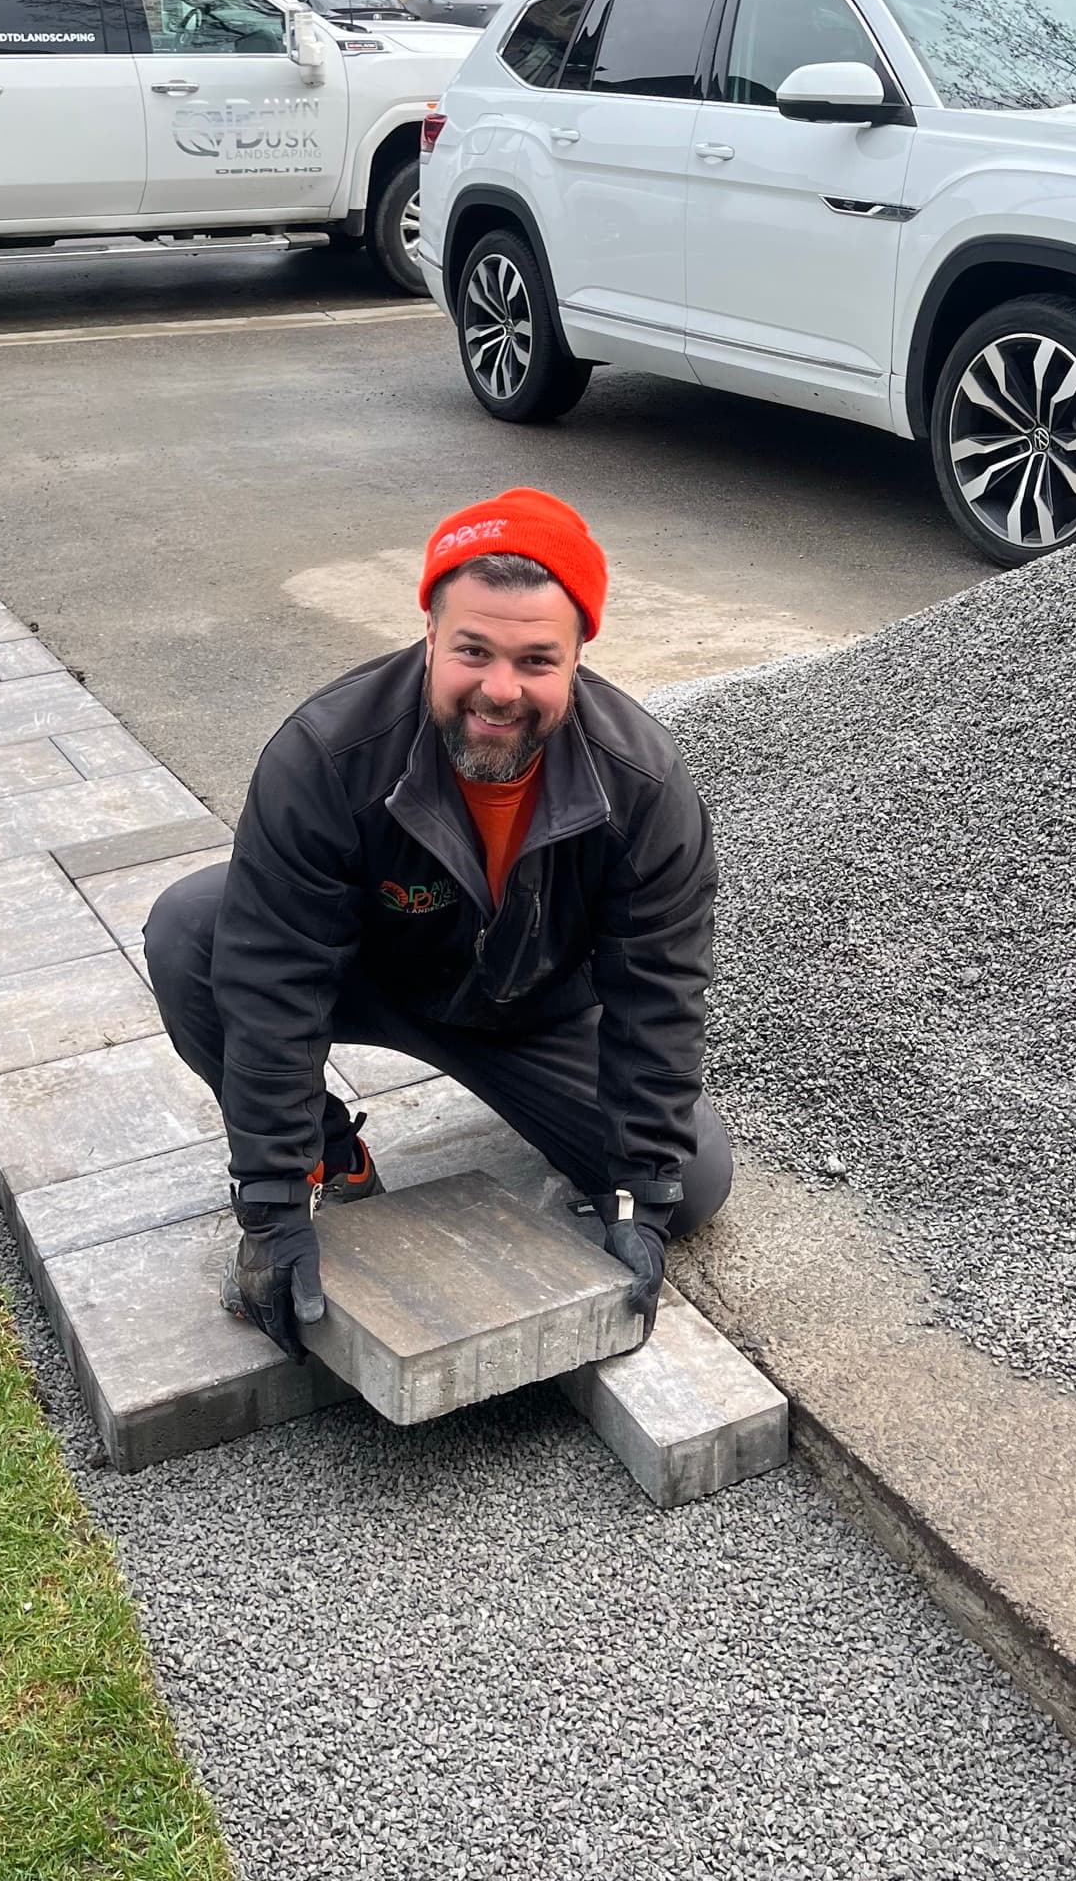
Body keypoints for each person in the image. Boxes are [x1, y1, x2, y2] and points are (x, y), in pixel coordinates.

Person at [144, 487, 732, 1361]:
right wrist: (270, 1208)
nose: (500, 689)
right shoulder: (326, 756)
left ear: (579, 657)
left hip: (536, 1011)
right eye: (473, 651)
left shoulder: (640, 786)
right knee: (193, 929)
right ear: (429, 636)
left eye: (536, 660)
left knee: (692, 1186)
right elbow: (273, 977)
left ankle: (552, 1122)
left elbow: (660, 988)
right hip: (375, 978)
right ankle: (327, 1158)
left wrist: (638, 1194)